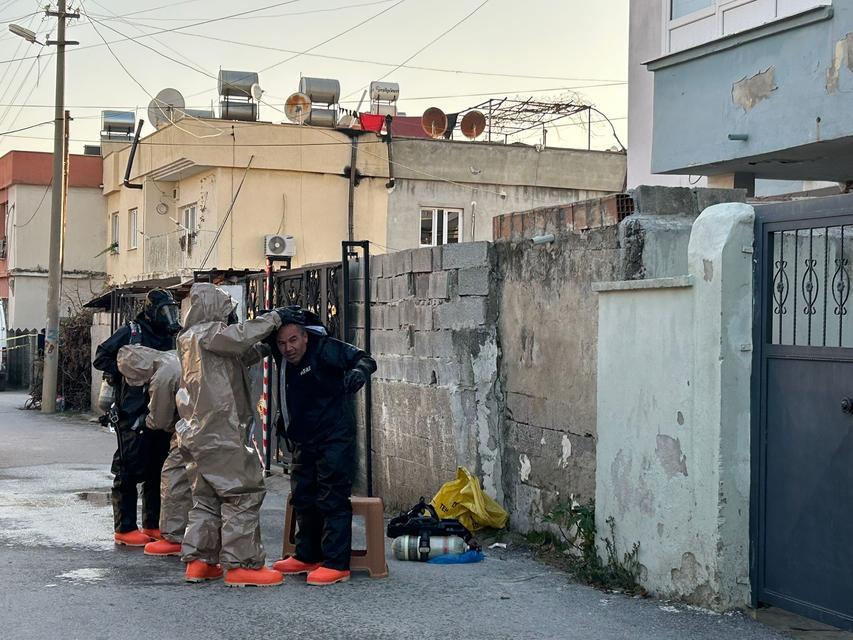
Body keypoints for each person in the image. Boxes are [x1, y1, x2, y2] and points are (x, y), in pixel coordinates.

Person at [175, 282, 287, 587]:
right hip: (220, 432)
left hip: (196, 433)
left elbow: (235, 355)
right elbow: (237, 339)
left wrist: (263, 346)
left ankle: (200, 562)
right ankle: (243, 565)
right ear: (214, 309)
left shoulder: (189, 338)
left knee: (206, 499)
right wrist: (273, 319)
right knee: (243, 493)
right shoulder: (209, 333)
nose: (231, 317)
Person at [268, 306, 376, 586]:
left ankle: (336, 563)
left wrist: (358, 374)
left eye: (293, 340)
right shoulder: (280, 356)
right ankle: (307, 555)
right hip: (304, 437)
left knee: (332, 496)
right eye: (281, 343)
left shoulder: (325, 348)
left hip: (334, 434)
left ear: (305, 338)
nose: (287, 348)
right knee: (304, 496)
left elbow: (364, 358)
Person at [93, 289, 181, 547]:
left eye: (172, 310)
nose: (169, 316)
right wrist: (125, 372)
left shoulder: (172, 336)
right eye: (164, 310)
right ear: (151, 310)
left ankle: (153, 524)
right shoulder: (133, 332)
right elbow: (102, 357)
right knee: (128, 468)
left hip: (161, 410)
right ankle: (125, 527)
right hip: (132, 411)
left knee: (158, 469)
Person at [116, 345, 191, 558]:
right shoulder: (171, 356)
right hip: (216, 421)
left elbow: (160, 419)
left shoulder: (161, 377)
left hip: (191, 427)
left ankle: (174, 537)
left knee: (172, 475)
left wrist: (145, 422)